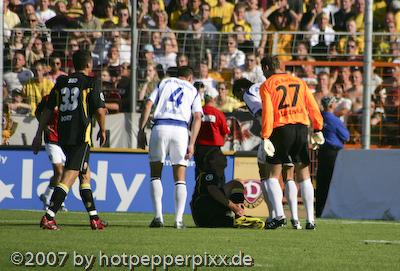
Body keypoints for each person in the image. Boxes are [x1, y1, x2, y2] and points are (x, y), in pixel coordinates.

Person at [32, 49, 108, 230]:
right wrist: (103, 130)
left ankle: (94, 218)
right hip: (81, 135)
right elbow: (99, 110)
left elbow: (48, 109)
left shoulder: (61, 81)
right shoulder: (91, 82)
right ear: (89, 64)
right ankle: (49, 216)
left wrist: (38, 134)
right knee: (69, 175)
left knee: (84, 173)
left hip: (63, 134)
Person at [259, 55, 324, 230]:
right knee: (304, 175)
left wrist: (266, 135)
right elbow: (313, 105)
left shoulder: (267, 85)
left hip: (281, 128)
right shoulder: (299, 81)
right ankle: (310, 220)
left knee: (273, 174)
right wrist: (318, 128)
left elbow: (268, 112)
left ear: (266, 68)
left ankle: (279, 215)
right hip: (302, 127)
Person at [137, 66, 203, 229]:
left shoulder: (164, 83)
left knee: (155, 174)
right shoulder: (193, 89)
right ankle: (178, 221)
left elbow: (147, 105)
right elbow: (198, 116)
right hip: (180, 130)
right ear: (190, 78)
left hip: (160, 126)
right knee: (180, 178)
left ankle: (158, 217)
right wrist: (192, 143)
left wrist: (141, 131)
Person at [232, 78, 302, 229]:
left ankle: (275, 216)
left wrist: (267, 135)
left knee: (266, 175)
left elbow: (263, 113)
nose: (240, 100)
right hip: (292, 129)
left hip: (273, 132)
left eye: (238, 96)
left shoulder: (249, 94)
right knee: (289, 175)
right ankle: (296, 219)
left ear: (241, 89)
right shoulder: (272, 84)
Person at [191, 148, 265, 228]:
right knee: (237, 182)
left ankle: (238, 221)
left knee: (232, 224)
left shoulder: (219, 178)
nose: (224, 156)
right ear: (212, 161)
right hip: (206, 210)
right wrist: (233, 206)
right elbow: (213, 190)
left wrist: (198, 223)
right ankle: (239, 216)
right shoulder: (210, 172)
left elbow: (191, 203)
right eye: (220, 155)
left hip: (209, 218)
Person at [316, 95, 350, 217]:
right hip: (333, 152)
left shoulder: (319, 117)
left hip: (322, 151)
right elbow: (346, 136)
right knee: (333, 181)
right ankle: (331, 210)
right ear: (332, 105)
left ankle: (319, 210)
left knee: (321, 181)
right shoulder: (334, 119)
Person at [36, 95, 68, 212]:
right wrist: (44, 126)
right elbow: (38, 113)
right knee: (59, 171)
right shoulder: (48, 99)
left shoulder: (70, 98)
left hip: (65, 140)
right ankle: (59, 200)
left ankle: (47, 196)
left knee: (64, 174)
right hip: (52, 139)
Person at [194, 87, 230, 179]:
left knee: (200, 174)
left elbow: (191, 129)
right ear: (215, 99)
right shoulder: (219, 114)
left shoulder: (197, 113)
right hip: (215, 148)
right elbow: (225, 134)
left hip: (200, 148)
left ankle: (200, 191)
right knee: (217, 175)